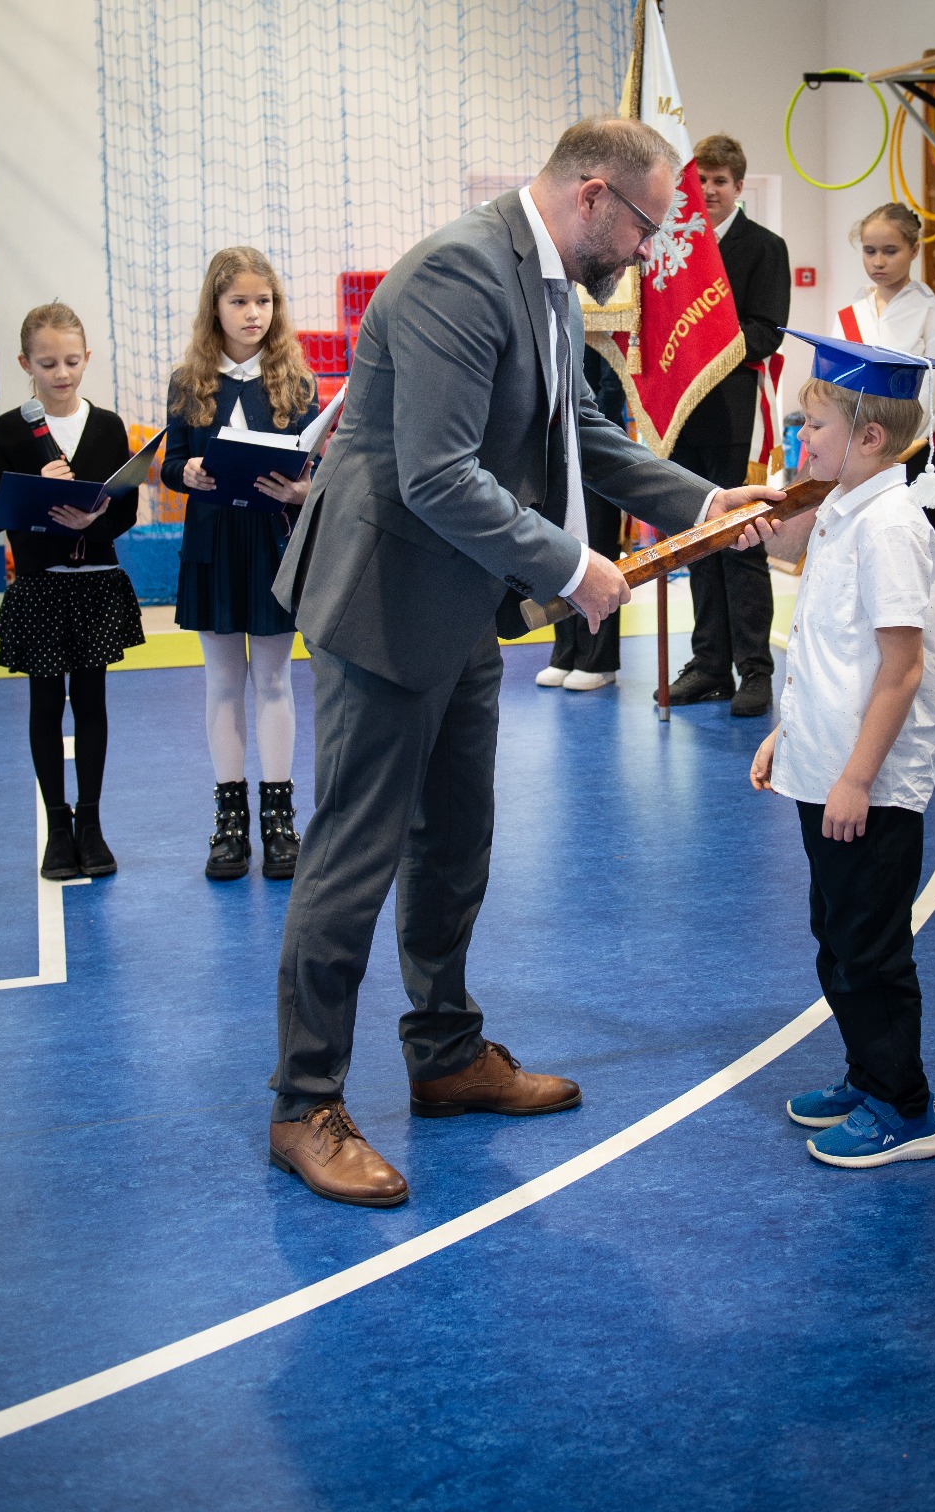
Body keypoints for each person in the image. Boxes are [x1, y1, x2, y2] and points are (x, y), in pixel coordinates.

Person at [268, 116, 783, 1209]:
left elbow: (577, 435)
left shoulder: (548, 280)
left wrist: (701, 502)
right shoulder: (459, 272)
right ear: (593, 195)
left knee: (455, 840)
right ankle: (303, 1102)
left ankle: (443, 1053)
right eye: (644, 227)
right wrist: (573, 565)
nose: (647, 253)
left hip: (458, 604)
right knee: (353, 858)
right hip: (382, 602)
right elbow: (436, 476)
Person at [750, 329, 935, 1168]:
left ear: (868, 438)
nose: (800, 441)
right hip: (827, 766)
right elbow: (829, 651)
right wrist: (787, 733)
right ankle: (865, 1075)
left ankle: (904, 1108)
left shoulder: (891, 529)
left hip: (865, 786)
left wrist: (855, 778)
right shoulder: (844, 509)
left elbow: (899, 670)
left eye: (814, 427)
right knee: (836, 936)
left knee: (869, 950)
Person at [161, 247, 319, 882]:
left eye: (264, 301)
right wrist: (189, 473)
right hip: (212, 543)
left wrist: (301, 491)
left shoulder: (297, 382)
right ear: (215, 307)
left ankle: (280, 821)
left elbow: (315, 470)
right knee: (223, 682)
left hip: (271, 542)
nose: (254, 313)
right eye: (239, 301)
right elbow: (171, 463)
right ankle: (229, 825)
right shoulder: (188, 382)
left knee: (275, 680)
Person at [0, 302, 144, 879]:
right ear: (26, 364)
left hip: (95, 584)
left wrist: (93, 521)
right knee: (46, 705)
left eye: (72, 361)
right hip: (40, 587)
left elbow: (125, 510)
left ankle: (91, 824)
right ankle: (57, 826)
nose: (62, 373)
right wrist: (35, 491)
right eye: (48, 364)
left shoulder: (108, 427)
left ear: (87, 358)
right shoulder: (9, 431)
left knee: (91, 702)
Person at [667, 134, 791, 717]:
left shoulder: (764, 247)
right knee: (698, 545)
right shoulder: (676, 245)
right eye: (701, 180)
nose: (710, 190)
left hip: (738, 419)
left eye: (720, 180)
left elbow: (766, 332)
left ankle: (755, 671)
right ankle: (709, 665)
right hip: (683, 419)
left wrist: (702, 340)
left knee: (742, 546)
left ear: (739, 186)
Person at [834, 201, 935, 539]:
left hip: (912, 452)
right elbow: (832, 387)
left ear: (914, 250)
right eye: (869, 251)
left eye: (890, 251)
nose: (878, 261)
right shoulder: (851, 313)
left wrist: (884, 449)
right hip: (855, 450)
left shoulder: (932, 312)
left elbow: (933, 396)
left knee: (908, 550)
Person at [535, 346, 626, 691]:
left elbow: (612, 382)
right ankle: (566, 650)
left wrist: (584, 429)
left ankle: (598, 658)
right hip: (554, 438)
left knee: (597, 544)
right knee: (561, 543)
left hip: (592, 436)